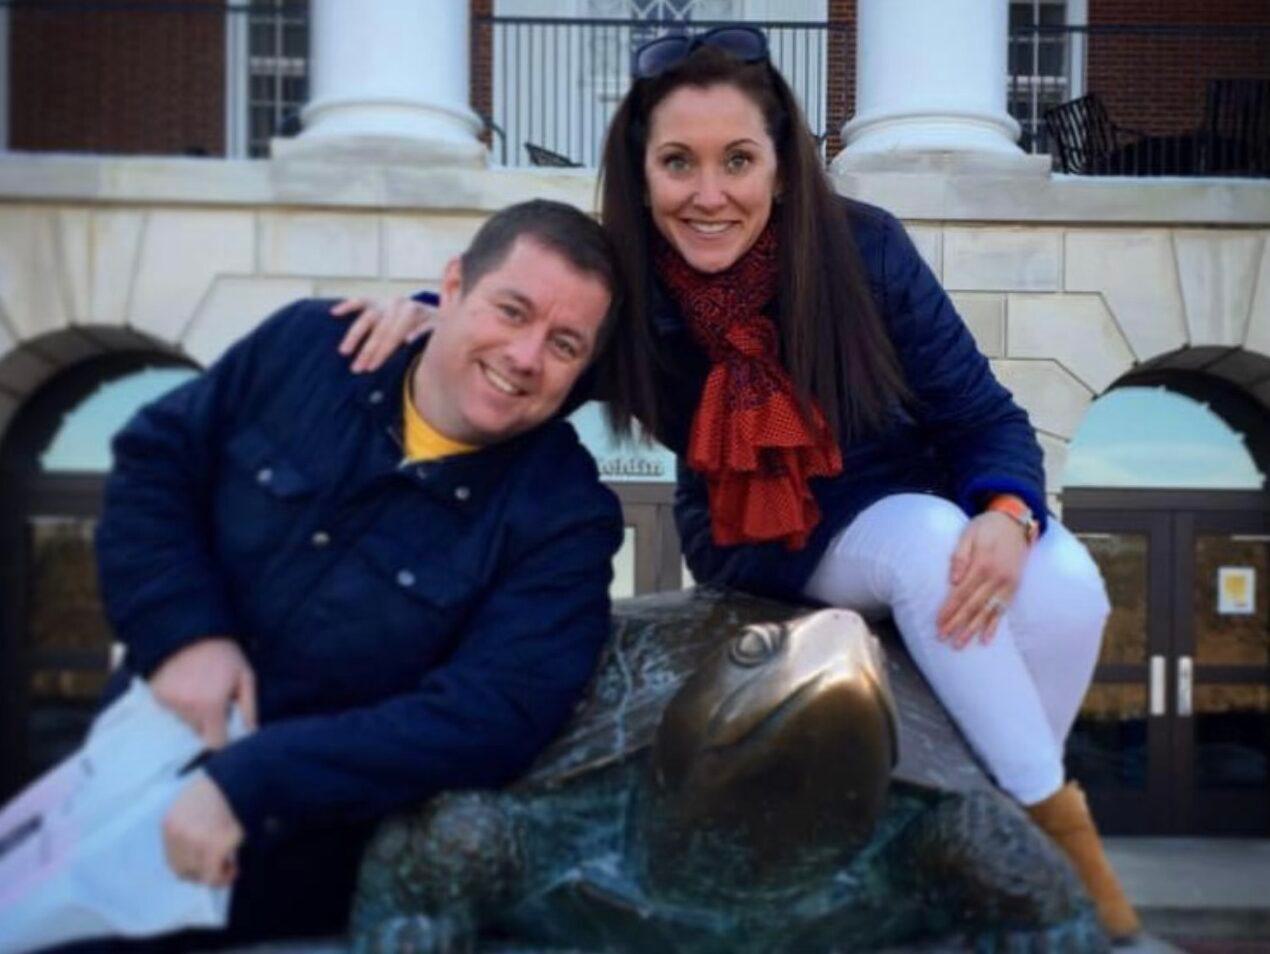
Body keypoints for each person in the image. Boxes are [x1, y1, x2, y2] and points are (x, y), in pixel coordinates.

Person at [335, 29, 1139, 943]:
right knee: (925, 545)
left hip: (921, 493)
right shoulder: (628, 287)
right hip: (771, 539)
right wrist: (434, 319)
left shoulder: (865, 252)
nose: (709, 194)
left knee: (1070, 589)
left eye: (738, 161)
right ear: (642, 176)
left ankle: (990, 806)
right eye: (678, 162)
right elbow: (527, 329)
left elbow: (984, 414)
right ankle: (1063, 847)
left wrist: (1005, 513)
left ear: (784, 168)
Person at [80, 199, 624, 951]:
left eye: (564, 344)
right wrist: (184, 637)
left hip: (287, 897)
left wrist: (252, 780)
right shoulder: (311, 348)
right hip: (108, 796)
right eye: (511, 310)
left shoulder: (564, 517)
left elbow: (488, 716)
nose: (526, 356)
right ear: (453, 286)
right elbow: (154, 464)